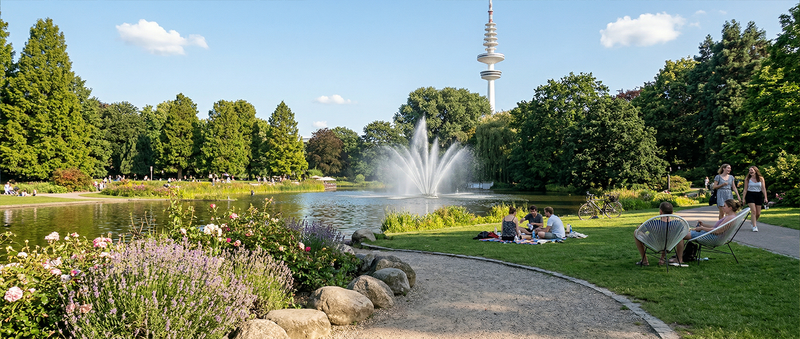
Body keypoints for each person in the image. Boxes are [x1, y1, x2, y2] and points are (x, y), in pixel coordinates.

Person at [635, 202, 683, 266]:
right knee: (675, 236)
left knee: (636, 232)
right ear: (672, 212)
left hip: (654, 243)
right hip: (670, 243)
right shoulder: (678, 224)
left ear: (660, 211)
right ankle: (663, 259)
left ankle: (644, 261)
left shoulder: (653, 223)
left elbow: (641, 231)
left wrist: (639, 227)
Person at [742, 166, 768, 232]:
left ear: (755, 171)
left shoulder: (761, 178)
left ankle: (753, 222)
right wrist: (743, 199)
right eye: (749, 170)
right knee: (753, 211)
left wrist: (765, 197)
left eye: (752, 170)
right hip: (750, 194)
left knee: (758, 213)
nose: (750, 171)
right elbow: (745, 189)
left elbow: (763, 188)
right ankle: (754, 226)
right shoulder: (747, 179)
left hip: (758, 195)